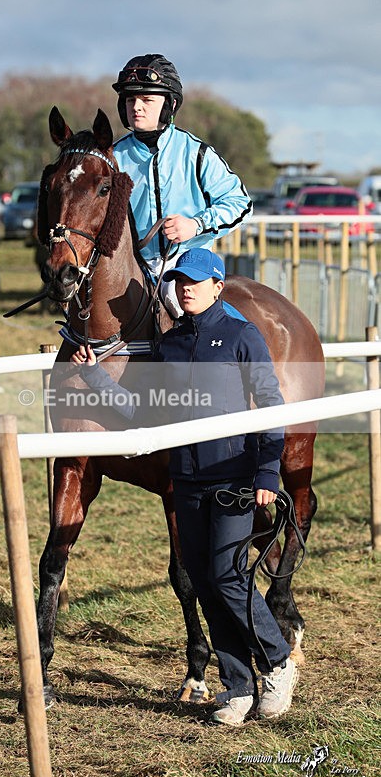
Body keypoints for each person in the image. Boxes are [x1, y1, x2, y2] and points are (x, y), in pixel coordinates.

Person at [70, 248, 298, 727]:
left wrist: (265, 474)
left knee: (228, 578)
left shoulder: (242, 336)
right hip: (187, 481)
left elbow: (272, 404)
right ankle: (237, 687)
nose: (185, 288)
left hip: (235, 479)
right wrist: (93, 373)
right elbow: (137, 411)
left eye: (195, 281)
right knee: (206, 584)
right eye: (179, 281)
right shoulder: (169, 347)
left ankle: (277, 664)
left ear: (218, 286)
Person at [112, 54, 252, 319]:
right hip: (127, 265)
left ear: (169, 104)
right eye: (131, 100)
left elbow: (241, 204)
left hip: (187, 261)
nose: (136, 107)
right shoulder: (113, 157)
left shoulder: (196, 153)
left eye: (147, 100)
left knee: (178, 304)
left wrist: (195, 225)